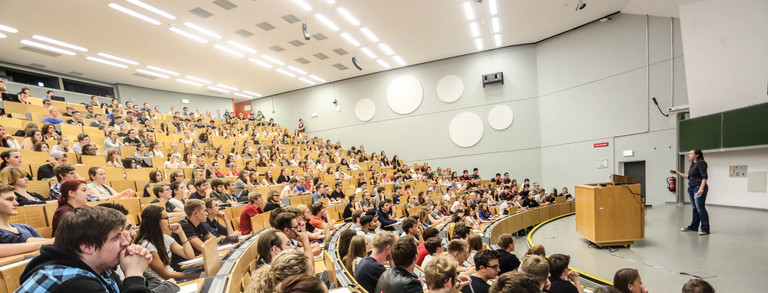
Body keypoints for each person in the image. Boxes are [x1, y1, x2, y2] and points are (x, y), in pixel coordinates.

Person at [19, 205, 153, 292]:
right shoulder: (73, 283)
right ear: (87, 246)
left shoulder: (101, 270)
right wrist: (134, 275)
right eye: (116, 237)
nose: (125, 243)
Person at [134, 205, 198, 281]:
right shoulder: (148, 246)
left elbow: (189, 255)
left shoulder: (165, 238)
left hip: (173, 279)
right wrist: (197, 275)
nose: (169, 220)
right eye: (166, 218)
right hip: (163, 284)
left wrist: (181, 233)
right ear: (155, 221)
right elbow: (166, 275)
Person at [671, 149, 710, 235]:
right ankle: (694, 227)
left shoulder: (701, 163)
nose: (689, 155)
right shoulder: (694, 165)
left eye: (691, 154)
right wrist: (678, 173)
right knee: (694, 208)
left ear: (697, 155)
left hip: (698, 188)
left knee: (700, 209)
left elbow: (704, 177)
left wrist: (701, 188)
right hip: (691, 188)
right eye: (689, 154)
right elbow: (689, 177)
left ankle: (705, 229)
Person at [170, 199, 214, 268]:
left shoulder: (198, 224)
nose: (207, 213)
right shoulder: (184, 226)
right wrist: (210, 242)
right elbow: (203, 247)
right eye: (204, 211)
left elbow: (213, 240)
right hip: (185, 267)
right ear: (196, 213)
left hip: (196, 261)